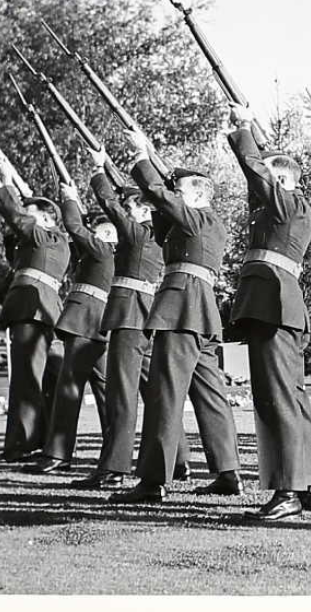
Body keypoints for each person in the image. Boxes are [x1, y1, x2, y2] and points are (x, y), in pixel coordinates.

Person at [108, 131, 244, 503]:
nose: (174, 195)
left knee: (164, 395)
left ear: (197, 195)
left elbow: (157, 194)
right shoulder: (203, 223)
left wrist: (142, 154)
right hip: (199, 312)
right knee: (211, 395)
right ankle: (228, 472)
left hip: (181, 310)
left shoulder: (196, 218)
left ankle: (153, 480)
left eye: (179, 191)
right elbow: (161, 211)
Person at [226, 104, 311, 521]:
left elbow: (256, 173)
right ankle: (302, 486)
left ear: (281, 181)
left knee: (277, 401)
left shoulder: (291, 205)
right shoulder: (280, 210)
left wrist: (243, 126)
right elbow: (258, 177)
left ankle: (289, 491)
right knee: (288, 400)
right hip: (272, 306)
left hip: (275, 306)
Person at [71, 152, 164, 490]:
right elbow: (122, 198)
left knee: (120, 395)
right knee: (153, 393)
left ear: (144, 211)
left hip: (129, 314)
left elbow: (109, 204)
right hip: (144, 314)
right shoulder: (156, 235)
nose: (125, 210)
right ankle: (177, 461)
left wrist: (98, 172)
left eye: (131, 207)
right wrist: (109, 167)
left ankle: (114, 468)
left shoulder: (138, 234)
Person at [0, 159, 70, 464]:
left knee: (25, 380)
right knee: (43, 380)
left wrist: (5, 184)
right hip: (42, 310)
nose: (25, 215)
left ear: (47, 219)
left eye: (31, 212)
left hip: (31, 310)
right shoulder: (45, 242)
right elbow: (16, 235)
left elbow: (17, 218)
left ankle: (22, 445)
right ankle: (40, 441)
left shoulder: (47, 237)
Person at [28, 192, 115, 474]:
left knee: (69, 390)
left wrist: (69, 198)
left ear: (108, 234)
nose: (92, 235)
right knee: (106, 393)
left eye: (98, 231)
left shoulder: (101, 250)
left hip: (85, 323)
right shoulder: (108, 253)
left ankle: (58, 454)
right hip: (100, 326)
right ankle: (113, 455)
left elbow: (75, 227)